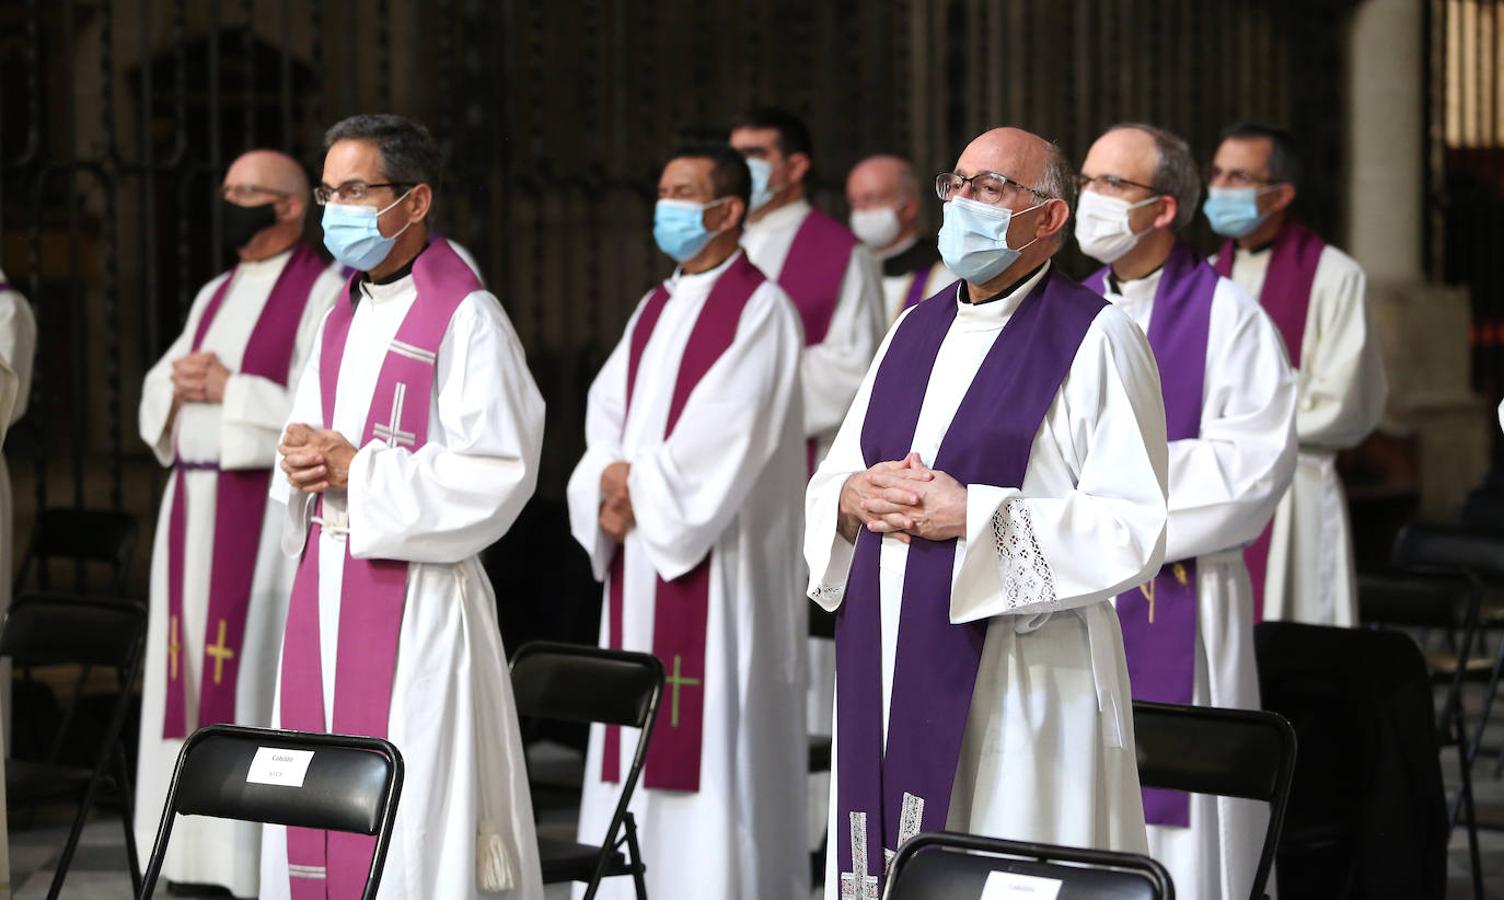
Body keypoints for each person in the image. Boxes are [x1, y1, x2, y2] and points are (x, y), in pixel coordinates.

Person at [805, 126, 1169, 897]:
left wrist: (974, 514)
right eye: (958, 183)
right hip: (892, 655)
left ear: (1049, 219)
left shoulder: (1097, 337)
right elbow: (841, 465)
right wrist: (848, 495)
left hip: (1025, 677)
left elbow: (1132, 527)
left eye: (992, 187)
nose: (964, 201)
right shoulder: (915, 328)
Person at [266, 114, 545, 899]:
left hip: (416, 599)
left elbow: (500, 470)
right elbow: (311, 433)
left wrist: (365, 471)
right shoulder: (339, 312)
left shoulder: (466, 316)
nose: (335, 208)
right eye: (328, 190)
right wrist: (302, 458)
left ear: (414, 199)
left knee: (412, 815)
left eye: (356, 190)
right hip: (326, 583)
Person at [566, 143, 807, 900]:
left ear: (728, 210)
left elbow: (725, 437)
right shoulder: (655, 304)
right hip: (644, 553)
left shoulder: (762, 308)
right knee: (634, 738)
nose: (663, 206)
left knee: (710, 744)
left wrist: (633, 488)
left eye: (682, 192)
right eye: (662, 189)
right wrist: (607, 478)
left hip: (715, 562)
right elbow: (605, 413)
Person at [1077, 123, 1297, 899]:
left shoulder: (1231, 318)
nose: (1089, 200)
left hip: (1179, 597)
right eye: (1087, 180)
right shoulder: (1058, 316)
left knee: (1180, 830)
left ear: (1164, 208)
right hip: (1069, 600)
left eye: (1112, 184)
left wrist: (1106, 506)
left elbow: (1250, 468)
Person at [134, 149, 341, 897]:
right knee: (181, 678)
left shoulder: (325, 291)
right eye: (224, 191)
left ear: (290, 206)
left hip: (260, 523)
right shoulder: (216, 292)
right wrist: (180, 382)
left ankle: (246, 863)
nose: (230, 203)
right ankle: (184, 854)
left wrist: (233, 389)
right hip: (192, 504)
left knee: (248, 674)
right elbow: (161, 383)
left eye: (247, 192)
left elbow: (323, 413)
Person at [1205, 122, 1387, 627]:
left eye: (1239, 177)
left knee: (1296, 647)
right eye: (1217, 173)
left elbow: (1345, 405)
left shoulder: (1334, 276)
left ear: (1280, 194)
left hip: (1296, 489)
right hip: (1215, 491)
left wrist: (1245, 429)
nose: (1220, 187)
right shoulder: (1203, 281)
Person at [730, 107, 884, 468]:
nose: (738, 167)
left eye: (754, 155)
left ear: (796, 167)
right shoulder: (724, 244)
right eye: (733, 156)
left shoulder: (842, 251)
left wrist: (742, 394)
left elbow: (854, 364)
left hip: (796, 453)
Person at [846, 154, 953, 322]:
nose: (859, 211)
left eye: (871, 199)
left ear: (908, 208)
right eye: (854, 202)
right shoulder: (847, 273)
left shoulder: (944, 278)